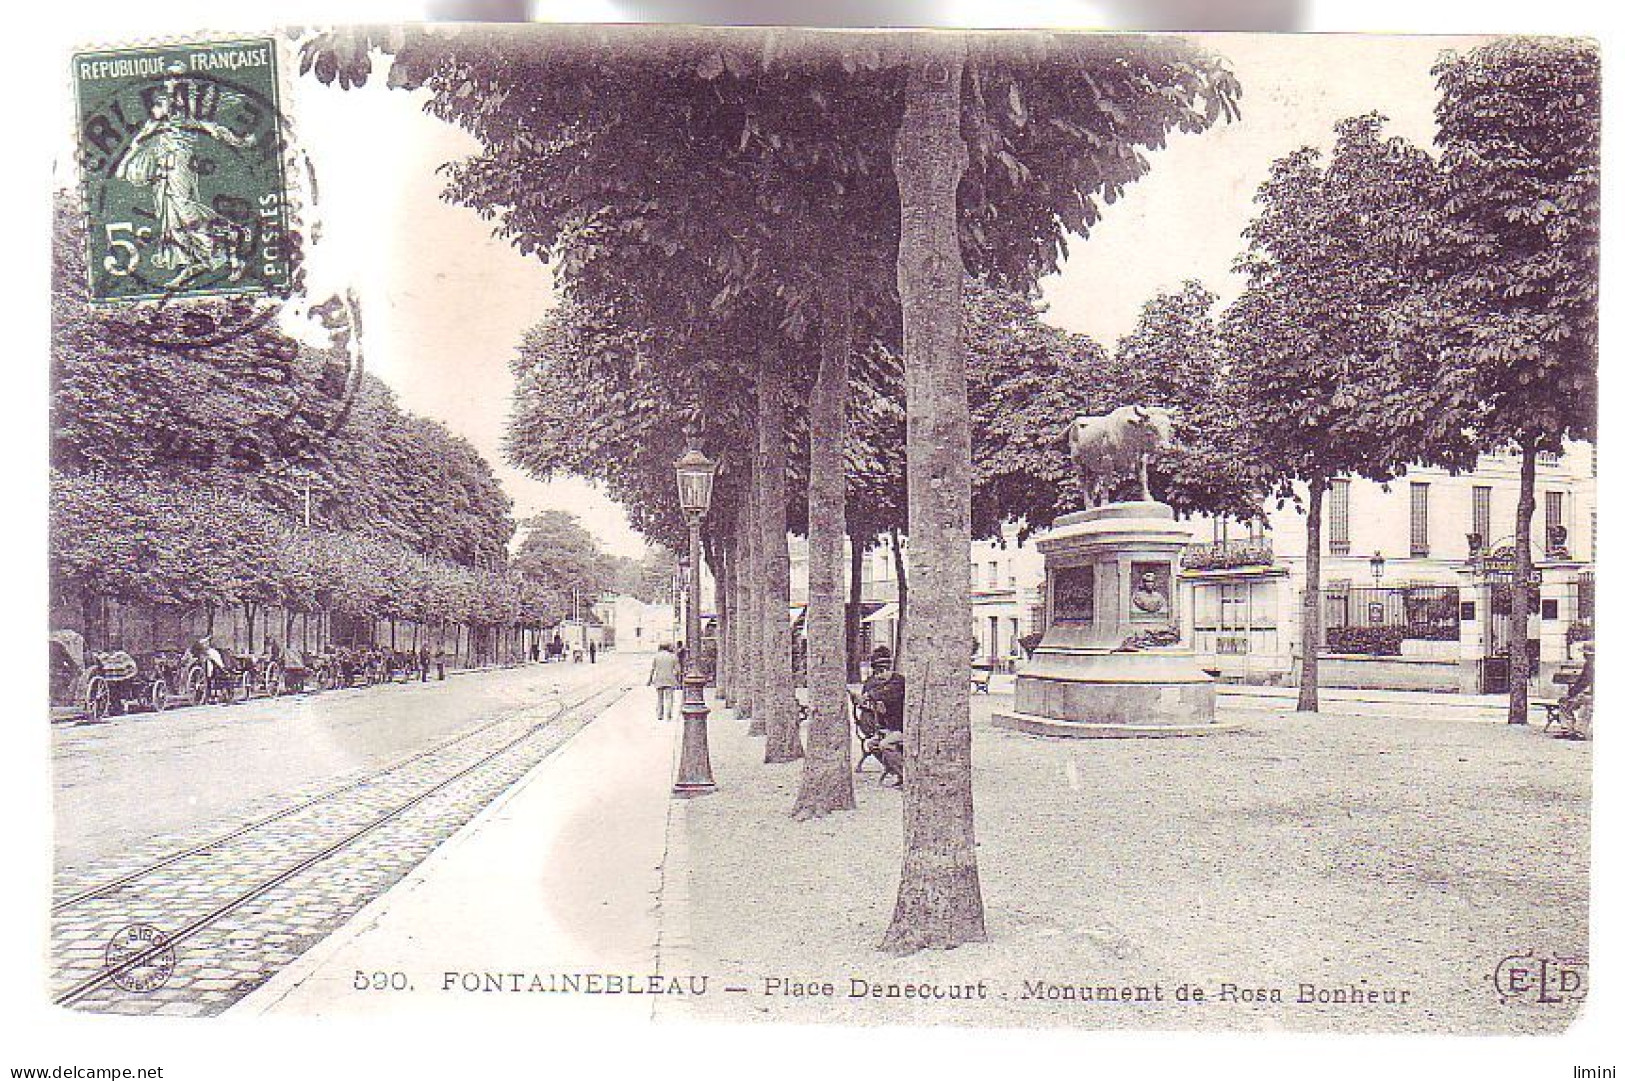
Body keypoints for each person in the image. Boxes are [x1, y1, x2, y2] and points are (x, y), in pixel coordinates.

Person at [858, 648, 906, 785]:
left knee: (886, 744)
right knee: (872, 744)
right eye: (877, 672)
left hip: (904, 728)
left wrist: (869, 696)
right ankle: (895, 770)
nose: (880, 675)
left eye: (883, 671)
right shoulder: (879, 684)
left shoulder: (898, 681)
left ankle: (907, 775)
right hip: (893, 727)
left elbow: (886, 692)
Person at [649, 643, 681, 721]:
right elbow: (678, 671)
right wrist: (678, 680)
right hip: (670, 679)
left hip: (659, 679)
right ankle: (669, 715)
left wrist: (649, 680)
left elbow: (653, 669)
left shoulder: (656, 656)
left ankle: (660, 715)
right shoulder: (673, 657)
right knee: (669, 698)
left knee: (660, 698)